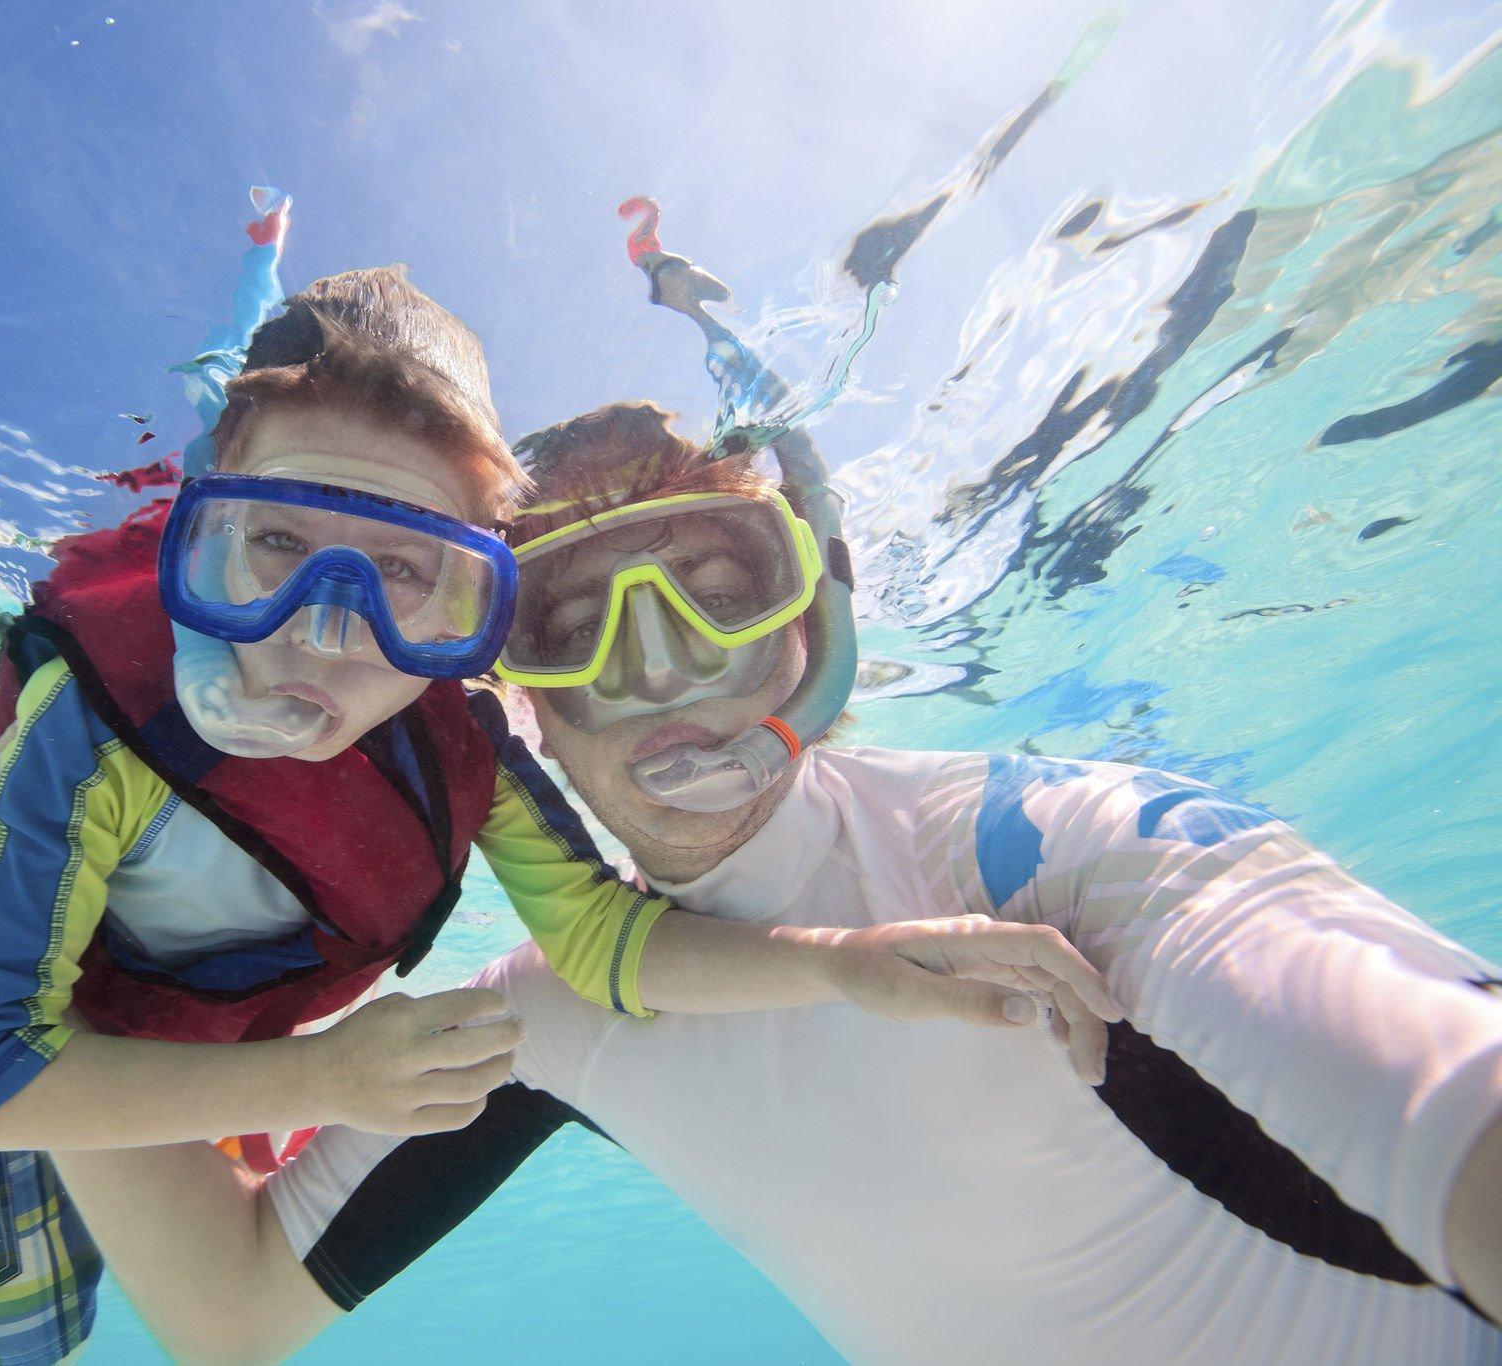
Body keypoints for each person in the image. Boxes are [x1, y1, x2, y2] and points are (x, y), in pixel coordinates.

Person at [0, 202, 1119, 1366]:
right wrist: (317, 1078)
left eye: (402, 574)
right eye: (274, 545)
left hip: (231, 1024)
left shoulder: (461, 746)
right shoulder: (90, 731)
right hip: (31, 1011)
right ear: (201, 538)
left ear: (475, 598)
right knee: (26, 1321)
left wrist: (834, 963)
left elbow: (600, 939)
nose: (325, 630)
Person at [260, 235, 1502, 1364]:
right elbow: (228, 1308)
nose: (655, 673)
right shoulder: (548, 1008)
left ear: (813, 623)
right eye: (570, 628)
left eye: (714, 590)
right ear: (517, 707)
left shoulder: (1037, 855)